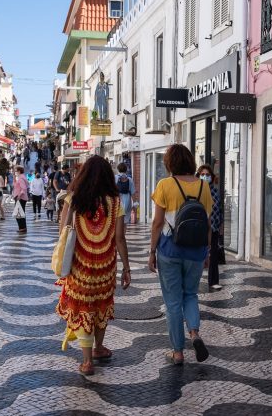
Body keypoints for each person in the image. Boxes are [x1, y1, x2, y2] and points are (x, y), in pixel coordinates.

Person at [57, 156, 132, 375]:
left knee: (83, 309)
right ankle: (98, 347)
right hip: (105, 266)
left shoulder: (75, 199)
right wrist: (127, 268)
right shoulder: (115, 201)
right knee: (101, 306)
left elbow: (63, 230)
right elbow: (119, 238)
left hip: (80, 265)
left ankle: (87, 361)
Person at [148, 144, 213, 365]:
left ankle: (177, 352)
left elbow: (157, 223)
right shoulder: (204, 187)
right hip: (195, 251)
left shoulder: (165, 185)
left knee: (173, 302)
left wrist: (151, 252)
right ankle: (194, 334)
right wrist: (207, 252)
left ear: (169, 163)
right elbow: (208, 224)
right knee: (191, 295)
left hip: (169, 250)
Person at [197, 164, 223, 291]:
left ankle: (213, 281)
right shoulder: (197, 191)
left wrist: (220, 226)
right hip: (200, 229)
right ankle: (192, 280)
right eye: (202, 174)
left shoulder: (215, 191)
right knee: (196, 255)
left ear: (212, 177)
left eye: (207, 175)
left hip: (213, 228)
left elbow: (219, 210)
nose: (205, 177)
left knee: (213, 256)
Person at [13, 165, 29, 234]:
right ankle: (22, 228)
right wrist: (14, 180)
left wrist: (19, 195)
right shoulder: (21, 177)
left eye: (15, 171)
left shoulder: (21, 178)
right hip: (20, 197)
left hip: (20, 198)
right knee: (20, 213)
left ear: (19, 171)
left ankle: (22, 228)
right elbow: (16, 186)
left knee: (18, 213)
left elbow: (24, 188)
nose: (14, 172)